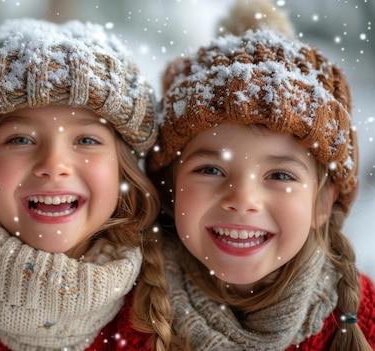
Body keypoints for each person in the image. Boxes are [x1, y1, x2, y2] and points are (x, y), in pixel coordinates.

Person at [0, 18, 171, 351]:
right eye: (20, 139)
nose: (53, 165)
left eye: (86, 139)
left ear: (123, 169)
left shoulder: (162, 311)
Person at [144, 0, 375, 350]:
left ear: (323, 201)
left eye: (280, 175)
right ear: (170, 186)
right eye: (211, 169)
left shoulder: (361, 318)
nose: (242, 199)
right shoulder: (133, 309)